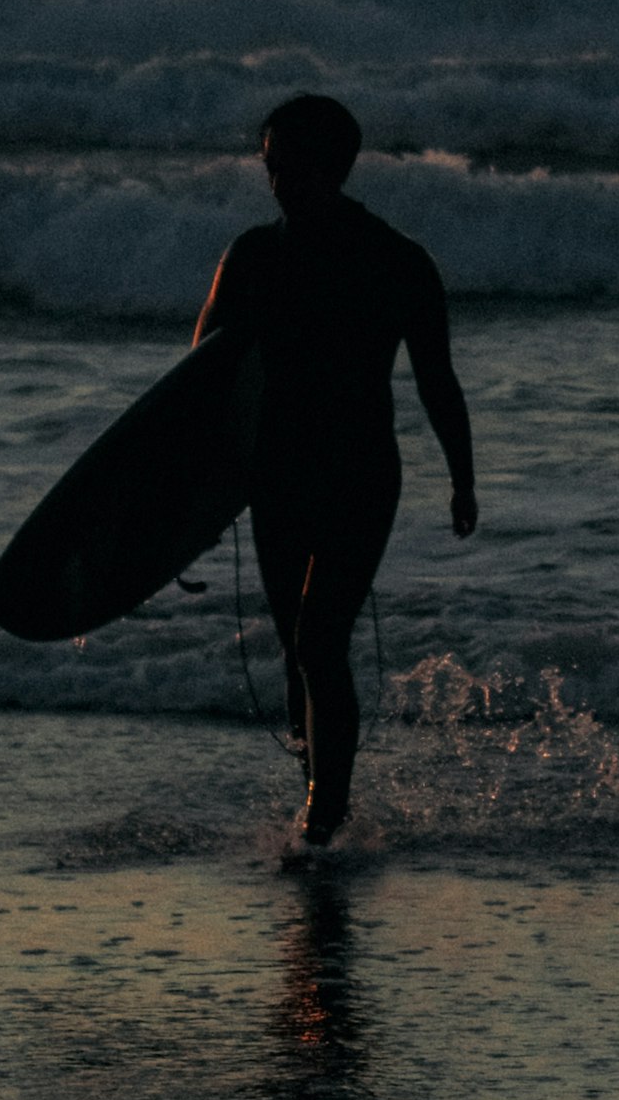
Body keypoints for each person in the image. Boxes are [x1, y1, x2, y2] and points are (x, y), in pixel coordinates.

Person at [193, 94, 476, 858]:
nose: (277, 181)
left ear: (333, 167)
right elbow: (198, 382)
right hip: (276, 475)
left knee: (320, 639)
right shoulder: (251, 258)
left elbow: (438, 383)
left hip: (359, 475)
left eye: (289, 167)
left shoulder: (396, 261)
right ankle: (320, 797)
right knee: (297, 647)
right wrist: (186, 505)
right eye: (269, 167)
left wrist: (462, 478)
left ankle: (325, 816)